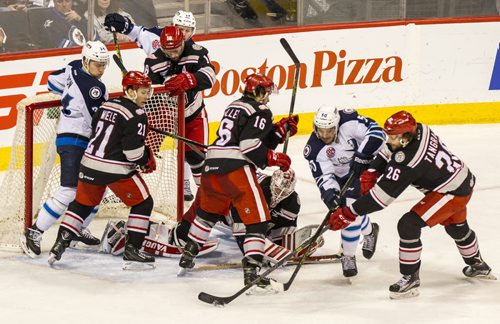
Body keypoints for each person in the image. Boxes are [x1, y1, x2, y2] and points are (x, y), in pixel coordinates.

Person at [327, 110, 494, 298]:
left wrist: (349, 213)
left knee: (408, 224)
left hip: (452, 192)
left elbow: (381, 198)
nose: (389, 140)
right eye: (388, 135)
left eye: (393, 136)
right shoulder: (420, 129)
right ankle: (478, 264)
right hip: (459, 179)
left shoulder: (408, 161)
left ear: (406, 137)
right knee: (457, 228)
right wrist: (373, 170)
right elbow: (388, 149)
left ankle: (410, 278)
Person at [177, 73, 298, 294]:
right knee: (257, 221)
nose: (268, 98)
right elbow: (250, 146)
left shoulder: (235, 106)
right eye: (267, 93)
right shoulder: (261, 110)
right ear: (258, 91)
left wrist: (278, 133)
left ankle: (189, 252)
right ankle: (252, 272)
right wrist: (275, 158)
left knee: (208, 213)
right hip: (235, 169)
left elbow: (249, 137)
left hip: (211, 165)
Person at [48, 70, 157, 270]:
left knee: (81, 205)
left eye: (148, 91)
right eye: (143, 92)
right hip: (114, 168)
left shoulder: (106, 105)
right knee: (143, 203)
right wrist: (146, 158)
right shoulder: (138, 115)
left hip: (89, 162)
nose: (147, 96)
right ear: (130, 91)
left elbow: (100, 130)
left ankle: (59, 243)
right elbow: (132, 153)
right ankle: (133, 250)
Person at [104, 12, 209, 202]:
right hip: (165, 114)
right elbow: (150, 96)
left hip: (193, 113)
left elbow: (209, 77)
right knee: (141, 153)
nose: (174, 53)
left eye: (187, 31)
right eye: (181, 29)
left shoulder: (198, 52)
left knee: (196, 157)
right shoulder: (153, 58)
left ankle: (209, 197)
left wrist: (190, 78)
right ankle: (122, 191)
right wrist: (140, 89)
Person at [20, 41, 109, 258]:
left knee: (98, 189)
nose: (102, 70)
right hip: (75, 140)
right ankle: (34, 232)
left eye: (104, 65)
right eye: (98, 65)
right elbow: (99, 122)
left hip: (71, 138)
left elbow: (52, 81)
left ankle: (76, 229)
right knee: (69, 190)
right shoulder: (97, 89)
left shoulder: (73, 66)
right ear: (87, 62)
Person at [303, 105, 386, 278]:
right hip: (340, 178)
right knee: (350, 211)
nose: (325, 135)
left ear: (337, 125)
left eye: (330, 130)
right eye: (321, 130)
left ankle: (347, 255)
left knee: (349, 210)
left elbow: (378, 133)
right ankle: (370, 231)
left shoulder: (349, 122)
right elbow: (324, 176)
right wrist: (330, 194)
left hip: (361, 171)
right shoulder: (314, 148)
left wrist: (363, 155)